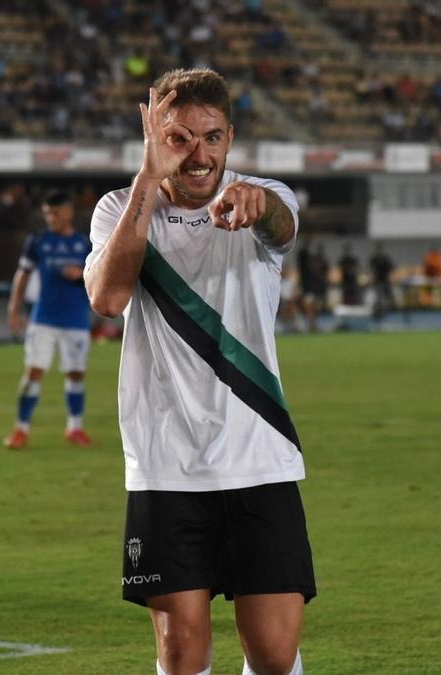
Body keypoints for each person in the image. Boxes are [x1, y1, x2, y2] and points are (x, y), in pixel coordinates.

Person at [85, 68, 315, 675]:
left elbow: (282, 227)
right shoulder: (119, 208)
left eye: (212, 137)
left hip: (257, 458)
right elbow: (109, 299)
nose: (199, 154)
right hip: (166, 465)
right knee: (182, 656)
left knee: (274, 655)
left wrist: (259, 207)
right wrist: (147, 176)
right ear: (156, 137)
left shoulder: (266, 195)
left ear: (230, 138)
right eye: (180, 137)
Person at [3, 191, 94, 449]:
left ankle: (75, 428)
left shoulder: (85, 244)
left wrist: (82, 274)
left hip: (76, 318)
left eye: (55, 213)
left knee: (76, 374)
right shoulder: (38, 241)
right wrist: (14, 307)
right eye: (47, 214)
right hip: (44, 318)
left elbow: (99, 277)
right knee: (34, 371)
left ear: (69, 212)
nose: (51, 218)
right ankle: (21, 429)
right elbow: (23, 274)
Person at [370, 243, 396, 318]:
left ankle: (388, 310)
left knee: (387, 296)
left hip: (385, 280)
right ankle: (378, 312)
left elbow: (391, 267)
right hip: (377, 280)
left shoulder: (385, 258)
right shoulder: (374, 258)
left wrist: (390, 276)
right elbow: (372, 269)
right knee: (378, 297)